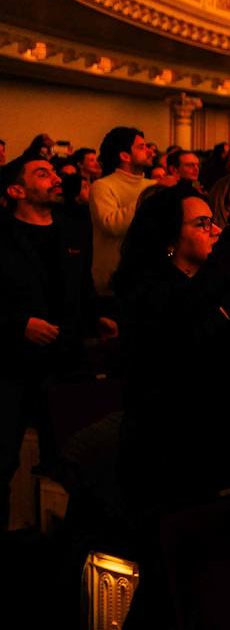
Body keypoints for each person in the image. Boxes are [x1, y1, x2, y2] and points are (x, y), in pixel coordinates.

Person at [112, 173, 230, 624]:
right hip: (168, 456)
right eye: (202, 224)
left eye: (214, 223)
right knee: (169, 586)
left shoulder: (217, 283)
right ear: (168, 238)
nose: (214, 230)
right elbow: (186, 317)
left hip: (224, 444)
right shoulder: (148, 290)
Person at [0, 152, 104, 530]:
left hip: (65, 361)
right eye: (42, 173)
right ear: (16, 189)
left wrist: (98, 318)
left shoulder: (73, 228)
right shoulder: (3, 234)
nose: (56, 178)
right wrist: (19, 325)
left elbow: (83, 287)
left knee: (72, 461)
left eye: (54, 172)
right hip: (12, 364)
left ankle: (63, 549)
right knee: (3, 459)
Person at [90, 126, 156, 296]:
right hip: (113, 281)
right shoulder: (102, 186)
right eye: (141, 147)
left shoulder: (152, 186)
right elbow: (112, 225)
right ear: (124, 155)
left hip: (147, 279)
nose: (150, 152)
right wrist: (150, 196)